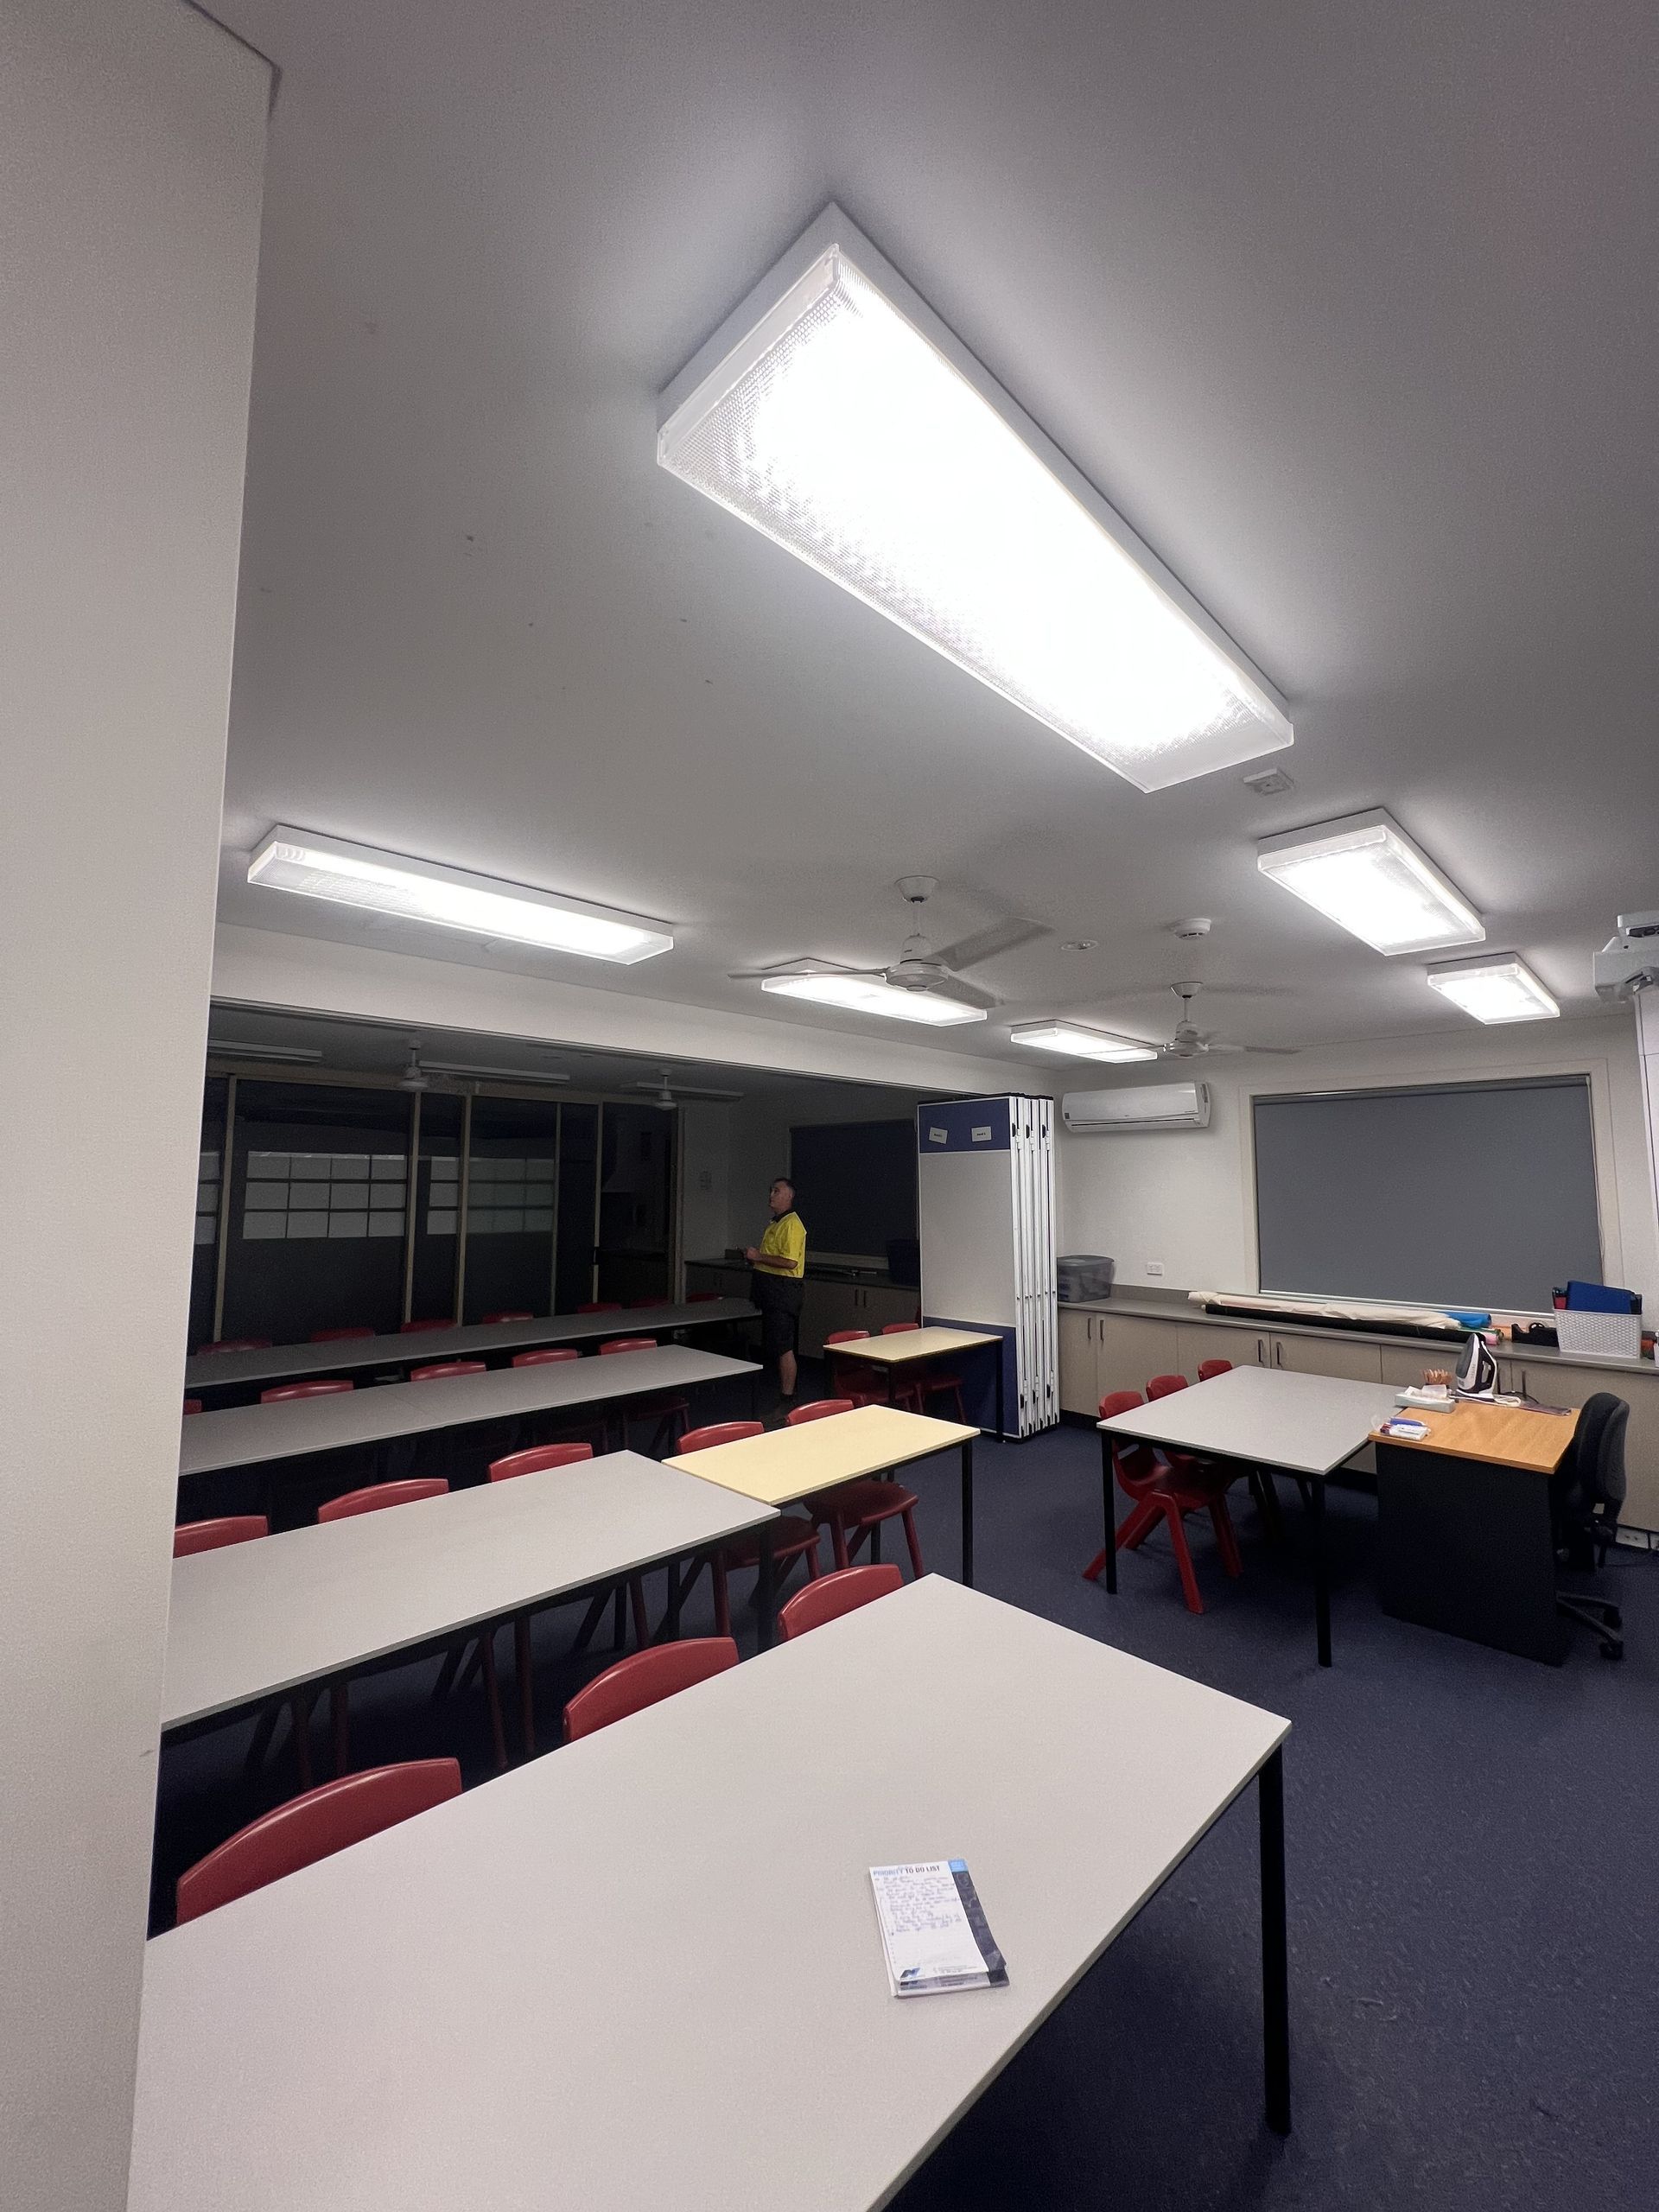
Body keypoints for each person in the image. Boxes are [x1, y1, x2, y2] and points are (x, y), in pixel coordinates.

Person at [745, 1176, 806, 1405]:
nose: (771, 1195)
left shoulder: (792, 1224)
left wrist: (758, 1256)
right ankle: (779, 1390)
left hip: (783, 1293)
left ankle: (787, 1397)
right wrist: (755, 1259)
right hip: (770, 1290)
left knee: (784, 1346)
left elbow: (790, 1262)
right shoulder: (775, 1223)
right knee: (776, 1344)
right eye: (771, 1191)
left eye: (777, 1191)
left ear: (789, 1196)